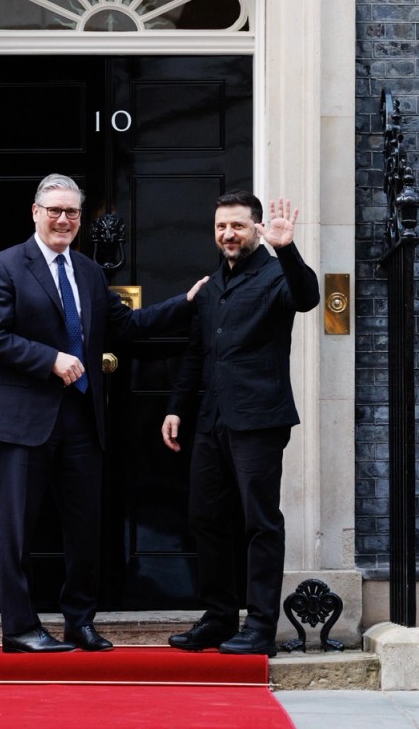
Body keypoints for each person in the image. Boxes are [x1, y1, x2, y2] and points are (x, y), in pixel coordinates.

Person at [0, 173, 202, 654]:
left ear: (80, 218)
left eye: (71, 212)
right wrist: (49, 359)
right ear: (35, 212)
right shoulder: (5, 266)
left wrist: (186, 304)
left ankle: (80, 621)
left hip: (81, 421)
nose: (62, 219)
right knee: (16, 530)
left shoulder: (90, 272)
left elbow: (129, 326)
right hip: (20, 421)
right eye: (53, 210)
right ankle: (19, 628)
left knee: (85, 529)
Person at [162, 192, 319, 656]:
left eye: (237, 226)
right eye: (220, 227)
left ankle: (261, 627)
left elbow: (308, 298)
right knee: (205, 519)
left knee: (259, 523)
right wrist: (176, 407)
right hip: (211, 420)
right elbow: (196, 353)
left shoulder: (276, 275)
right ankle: (218, 617)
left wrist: (286, 248)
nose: (228, 234)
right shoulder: (211, 286)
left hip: (259, 421)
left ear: (256, 228)